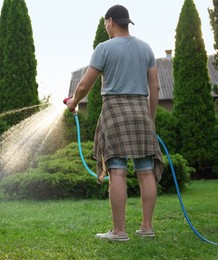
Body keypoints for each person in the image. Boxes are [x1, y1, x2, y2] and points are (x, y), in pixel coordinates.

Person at [66, 4, 164, 242]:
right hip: (141, 110)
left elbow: (83, 86)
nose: (105, 27)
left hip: (115, 111)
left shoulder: (104, 48)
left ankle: (119, 232)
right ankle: (147, 228)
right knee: (146, 171)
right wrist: (149, 120)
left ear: (110, 21)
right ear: (126, 22)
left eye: (105, 23)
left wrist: (73, 102)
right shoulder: (146, 48)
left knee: (117, 171)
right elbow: (155, 88)